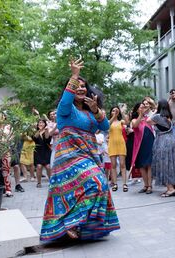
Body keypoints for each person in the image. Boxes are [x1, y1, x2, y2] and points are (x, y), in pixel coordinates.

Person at [40, 58, 119, 241]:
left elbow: (105, 126)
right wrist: (74, 75)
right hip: (69, 155)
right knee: (96, 182)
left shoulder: (91, 110)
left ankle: (82, 227)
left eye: (83, 86)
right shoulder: (65, 109)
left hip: (90, 154)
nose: (81, 88)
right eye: (77, 86)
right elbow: (67, 99)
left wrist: (96, 109)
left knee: (99, 185)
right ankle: (73, 223)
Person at [147, 99, 175, 197]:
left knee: (165, 164)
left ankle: (170, 188)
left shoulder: (158, 116)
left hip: (163, 141)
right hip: (172, 140)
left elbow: (148, 120)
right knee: (172, 164)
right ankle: (173, 187)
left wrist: (154, 110)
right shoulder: (168, 116)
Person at [129, 102, 155, 194]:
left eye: (143, 107)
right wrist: (140, 115)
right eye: (140, 107)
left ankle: (150, 186)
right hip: (139, 145)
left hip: (149, 143)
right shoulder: (134, 120)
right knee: (142, 166)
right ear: (137, 109)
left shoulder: (148, 119)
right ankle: (145, 185)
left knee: (149, 164)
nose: (142, 109)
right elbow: (135, 126)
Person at [108, 106, 127, 192]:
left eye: (116, 110)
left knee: (122, 164)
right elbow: (107, 125)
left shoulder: (121, 122)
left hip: (121, 143)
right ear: (111, 112)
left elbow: (127, 121)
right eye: (113, 110)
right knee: (113, 165)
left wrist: (122, 112)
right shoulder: (109, 121)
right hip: (112, 144)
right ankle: (115, 183)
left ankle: (124, 184)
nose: (115, 112)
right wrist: (113, 116)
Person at [32, 119, 52, 188]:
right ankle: (39, 182)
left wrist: (46, 130)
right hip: (38, 151)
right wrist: (39, 130)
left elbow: (47, 139)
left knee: (48, 167)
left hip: (46, 150)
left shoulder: (47, 130)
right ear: (37, 124)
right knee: (39, 166)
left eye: (42, 123)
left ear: (45, 124)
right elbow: (34, 138)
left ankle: (51, 182)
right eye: (39, 122)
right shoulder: (35, 131)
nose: (41, 124)